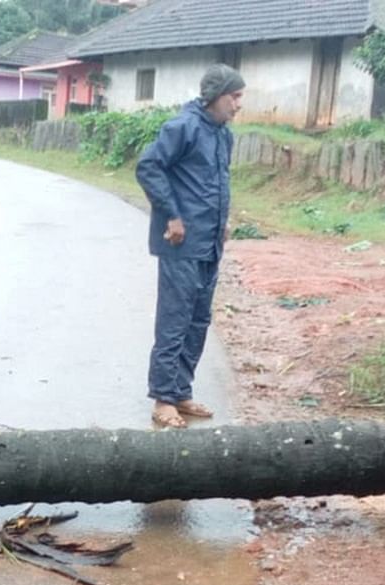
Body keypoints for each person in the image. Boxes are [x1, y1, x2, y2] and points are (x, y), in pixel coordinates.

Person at [134, 64, 245, 429]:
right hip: (180, 243)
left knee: (199, 319)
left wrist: (222, 221)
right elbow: (149, 167)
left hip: (209, 243)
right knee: (175, 318)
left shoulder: (223, 135)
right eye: (235, 96)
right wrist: (171, 216)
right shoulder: (182, 127)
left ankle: (181, 391)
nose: (239, 104)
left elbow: (215, 183)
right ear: (216, 96)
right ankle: (163, 398)